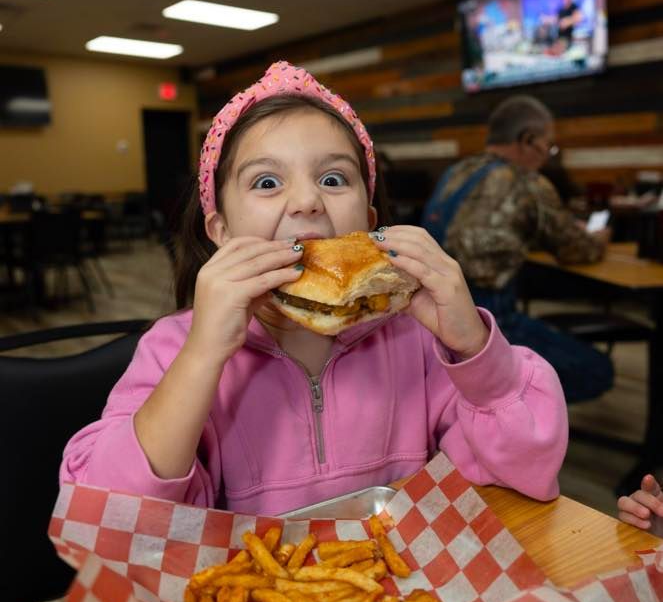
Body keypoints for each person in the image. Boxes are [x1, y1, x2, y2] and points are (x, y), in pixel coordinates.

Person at [60, 62, 568, 516]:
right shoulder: (173, 348)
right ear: (222, 233)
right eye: (266, 183)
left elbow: (522, 480)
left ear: (368, 225)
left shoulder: (417, 342)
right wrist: (201, 357)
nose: (306, 201)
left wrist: (475, 349)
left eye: (332, 179)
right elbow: (106, 520)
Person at [422, 94, 613, 405]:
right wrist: (601, 237)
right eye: (548, 147)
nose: (548, 157)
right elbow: (578, 250)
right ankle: (509, 410)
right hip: (489, 320)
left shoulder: (456, 172)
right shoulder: (527, 182)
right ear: (528, 140)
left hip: (428, 319)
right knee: (597, 370)